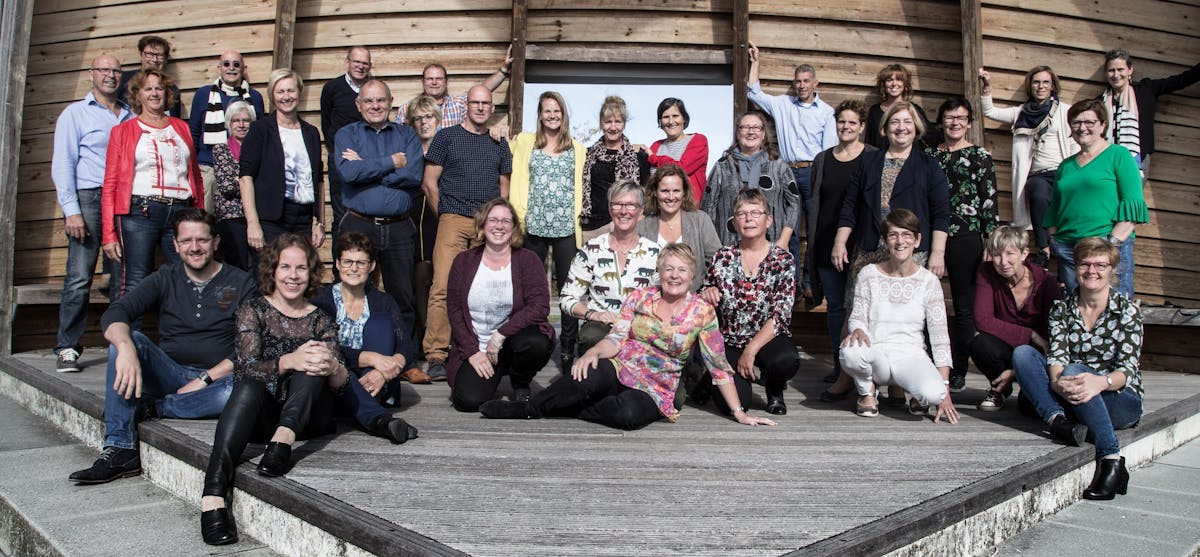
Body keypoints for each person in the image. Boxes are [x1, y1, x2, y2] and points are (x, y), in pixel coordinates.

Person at [199, 234, 417, 546]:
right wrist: (289, 360)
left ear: (310, 272)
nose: (293, 275)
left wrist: (331, 366)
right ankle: (213, 493)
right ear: (273, 270)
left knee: (315, 362)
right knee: (249, 385)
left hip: (308, 417)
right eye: (285, 267)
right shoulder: (253, 310)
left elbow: (339, 379)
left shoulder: (320, 319)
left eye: (301, 268)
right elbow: (246, 367)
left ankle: (284, 440)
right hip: (262, 417)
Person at [478, 243, 778, 430]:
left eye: (681, 270)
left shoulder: (702, 311)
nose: (674, 275)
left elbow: (718, 366)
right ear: (660, 272)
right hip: (622, 365)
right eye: (668, 269)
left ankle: (573, 408)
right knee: (586, 374)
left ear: (692, 276)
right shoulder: (640, 297)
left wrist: (739, 412)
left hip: (656, 386)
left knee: (628, 416)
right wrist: (594, 352)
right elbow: (617, 337)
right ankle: (529, 408)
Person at [68, 209, 256, 485]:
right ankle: (120, 448)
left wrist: (205, 379)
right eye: (187, 241)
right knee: (125, 341)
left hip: (218, 380)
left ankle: (157, 407)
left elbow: (250, 346)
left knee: (238, 392)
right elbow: (117, 312)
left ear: (216, 242)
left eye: (202, 240)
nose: (195, 247)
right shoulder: (165, 276)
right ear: (176, 245)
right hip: (170, 372)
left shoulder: (242, 282)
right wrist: (126, 348)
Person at [832, 101, 950, 406]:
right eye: (895, 122)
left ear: (916, 128)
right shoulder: (869, 161)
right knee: (854, 311)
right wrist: (840, 241)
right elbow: (850, 205)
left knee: (902, 314)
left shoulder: (928, 165)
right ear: (885, 127)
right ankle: (848, 376)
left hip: (909, 249)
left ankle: (897, 383)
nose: (901, 128)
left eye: (907, 122)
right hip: (870, 246)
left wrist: (938, 253)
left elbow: (941, 213)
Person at [1012, 237, 1143, 500]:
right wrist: (1057, 382)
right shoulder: (1062, 309)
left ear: (1111, 269)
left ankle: (1111, 457)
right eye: (1085, 264)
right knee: (1023, 354)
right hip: (1071, 390)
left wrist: (1099, 382)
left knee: (1071, 373)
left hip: (1118, 398)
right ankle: (1057, 421)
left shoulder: (1127, 311)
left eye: (1100, 265)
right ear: (1076, 267)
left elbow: (1127, 370)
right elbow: (1057, 356)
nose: (1092, 270)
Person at [421, 85, 513, 380]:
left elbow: (504, 189)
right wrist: (445, 215)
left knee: (481, 290)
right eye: (475, 102)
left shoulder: (499, 144)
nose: (481, 107)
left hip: (487, 226)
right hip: (454, 219)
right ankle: (437, 353)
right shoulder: (446, 137)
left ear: (492, 108)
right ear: (466, 106)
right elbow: (429, 182)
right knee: (443, 286)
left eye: (486, 103)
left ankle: (475, 349)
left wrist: (496, 223)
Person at [50, 54, 133, 373]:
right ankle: (67, 347)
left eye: (116, 71)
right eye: (104, 70)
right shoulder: (75, 114)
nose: (111, 75)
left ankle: (120, 346)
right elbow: (63, 163)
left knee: (121, 278)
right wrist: (71, 211)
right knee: (79, 276)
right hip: (89, 197)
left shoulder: (129, 114)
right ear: (91, 74)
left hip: (123, 200)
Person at [839, 209, 958, 423]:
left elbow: (940, 337)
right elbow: (857, 316)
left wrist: (945, 390)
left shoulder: (929, 281)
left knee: (934, 393)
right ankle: (867, 392)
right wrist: (857, 329)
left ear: (917, 240)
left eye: (907, 235)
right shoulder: (868, 274)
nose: (900, 241)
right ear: (885, 241)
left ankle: (919, 396)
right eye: (893, 235)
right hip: (877, 355)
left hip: (910, 355)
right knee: (850, 352)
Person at [333, 79, 424, 344]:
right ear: (358, 105)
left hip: (399, 227)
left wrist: (366, 165)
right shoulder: (347, 135)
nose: (375, 105)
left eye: (381, 100)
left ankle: (404, 354)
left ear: (390, 102)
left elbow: (413, 175)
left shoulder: (406, 135)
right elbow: (349, 173)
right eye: (369, 100)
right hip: (359, 224)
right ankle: (352, 348)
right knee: (354, 289)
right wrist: (391, 162)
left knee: (402, 294)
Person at [101, 69, 204, 302]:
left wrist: (199, 216)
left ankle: (181, 327)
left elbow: (195, 176)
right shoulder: (123, 131)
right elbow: (110, 185)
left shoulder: (181, 127)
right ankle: (124, 328)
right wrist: (109, 234)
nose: (155, 93)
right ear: (138, 95)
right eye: (148, 89)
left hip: (181, 211)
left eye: (159, 88)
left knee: (188, 277)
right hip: (140, 212)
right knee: (135, 280)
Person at [447, 199, 555, 411]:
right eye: (493, 220)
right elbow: (454, 310)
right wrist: (471, 352)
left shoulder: (527, 259)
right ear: (482, 224)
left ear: (513, 227)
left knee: (537, 342)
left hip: (510, 342)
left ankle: (520, 380)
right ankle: (488, 374)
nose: (499, 226)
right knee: (468, 401)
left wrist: (500, 334)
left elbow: (540, 306)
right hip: (478, 346)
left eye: (506, 221)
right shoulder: (463, 261)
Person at [746, 44, 837, 290]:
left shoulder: (827, 113)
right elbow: (753, 92)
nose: (801, 85)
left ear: (815, 83)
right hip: (787, 172)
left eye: (806, 81)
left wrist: (825, 179)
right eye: (797, 81)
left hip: (814, 172)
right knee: (790, 228)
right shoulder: (783, 104)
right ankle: (792, 282)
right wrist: (756, 62)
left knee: (816, 228)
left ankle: (810, 282)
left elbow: (829, 150)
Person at [699, 189, 798, 415]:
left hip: (767, 338)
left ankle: (774, 389)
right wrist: (709, 291)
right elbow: (704, 290)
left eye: (755, 213)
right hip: (731, 339)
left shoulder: (783, 260)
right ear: (734, 222)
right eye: (742, 214)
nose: (749, 219)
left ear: (768, 220)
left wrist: (751, 350)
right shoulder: (723, 257)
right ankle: (710, 377)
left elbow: (781, 316)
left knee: (786, 360)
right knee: (737, 404)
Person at [508, 91, 585, 370]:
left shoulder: (578, 149)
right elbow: (503, 150)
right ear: (540, 115)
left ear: (563, 115)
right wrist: (496, 131)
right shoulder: (525, 142)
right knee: (529, 288)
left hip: (566, 228)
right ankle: (529, 340)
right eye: (547, 111)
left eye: (556, 110)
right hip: (534, 226)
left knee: (568, 290)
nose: (552, 115)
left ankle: (567, 349)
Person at [929, 97, 999, 392]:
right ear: (941, 122)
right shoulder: (929, 155)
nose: (954, 123)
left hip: (966, 236)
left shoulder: (980, 156)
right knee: (926, 303)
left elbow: (989, 201)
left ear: (969, 122)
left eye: (960, 118)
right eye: (949, 117)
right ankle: (929, 362)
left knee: (963, 307)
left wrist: (990, 240)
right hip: (931, 234)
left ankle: (958, 368)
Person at [1044, 99, 1148, 298]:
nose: (1082, 128)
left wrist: (1110, 244)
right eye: (1076, 122)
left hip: (1107, 247)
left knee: (1114, 308)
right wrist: (1055, 240)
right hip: (1069, 251)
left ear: (1102, 125)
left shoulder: (1119, 155)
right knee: (1077, 309)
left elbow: (1133, 206)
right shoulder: (1066, 166)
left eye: (1089, 122)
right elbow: (1054, 208)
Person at [808, 100, 876, 396]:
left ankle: (864, 367)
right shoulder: (823, 160)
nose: (845, 127)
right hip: (827, 242)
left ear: (862, 127)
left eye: (852, 122)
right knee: (836, 307)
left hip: (863, 245)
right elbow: (816, 204)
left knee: (862, 307)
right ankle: (840, 366)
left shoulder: (873, 157)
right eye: (841, 122)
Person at [979, 66, 1078, 267]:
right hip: (1038, 174)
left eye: (1045, 82)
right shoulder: (1021, 113)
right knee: (1038, 194)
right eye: (1036, 82)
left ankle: (1064, 250)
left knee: (1067, 206)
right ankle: (1044, 249)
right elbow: (989, 111)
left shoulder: (1065, 111)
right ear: (1030, 86)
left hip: (1063, 170)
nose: (1041, 86)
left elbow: (1075, 141)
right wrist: (986, 87)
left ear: (1053, 86)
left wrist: (1076, 169)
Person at [312, 231, 421, 406]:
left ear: (371, 266)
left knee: (380, 324)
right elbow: (322, 349)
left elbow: (406, 347)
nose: (354, 268)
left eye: (361, 263)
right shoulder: (321, 300)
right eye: (348, 262)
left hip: (375, 382)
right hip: (333, 379)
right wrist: (370, 357)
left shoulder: (384, 301)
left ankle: (369, 400)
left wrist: (382, 372)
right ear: (338, 264)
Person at [561, 180, 662, 356]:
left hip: (641, 327)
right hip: (601, 326)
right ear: (609, 209)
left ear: (641, 211)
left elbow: (664, 298)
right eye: (617, 204)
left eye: (631, 205)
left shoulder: (655, 252)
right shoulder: (591, 249)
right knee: (591, 336)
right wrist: (592, 315)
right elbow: (566, 298)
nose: (623, 211)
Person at [971, 226, 1061, 412]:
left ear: (1024, 253)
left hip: (1039, 351)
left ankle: (1018, 382)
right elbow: (982, 319)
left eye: (1010, 253)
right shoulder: (986, 272)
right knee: (979, 344)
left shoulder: (1046, 282)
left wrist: (1016, 371)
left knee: (1028, 408)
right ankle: (1000, 389)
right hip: (1007, 343)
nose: (1003, 262)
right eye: (997, 255)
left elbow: (1053, 332)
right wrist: (1029, 334)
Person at [239, 68, 325, 259]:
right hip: (271, 219)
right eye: (280, 92)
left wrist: (319, 222)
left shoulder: (311, 133)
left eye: (291, 91)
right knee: (269, 272)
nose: (286, 97)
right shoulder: (260, 130)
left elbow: (318, 180)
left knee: (302, 271)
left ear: (299, 93)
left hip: (303, 220)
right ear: (272, 95)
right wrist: (252, 223)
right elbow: (246, 178)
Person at [702, 111, 799, 248]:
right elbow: (708, 206)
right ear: (737, 133)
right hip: (729, 246)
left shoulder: (778, 166)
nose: (751, 132)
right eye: (745, 127)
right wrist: (715, 246)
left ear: (763, 134)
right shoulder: (722, 166)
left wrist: (783, 240)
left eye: (756, 127)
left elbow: (794, 204)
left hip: (772, 245)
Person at [1098, 49, 1200, 174]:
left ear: (1130, 70)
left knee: (1132, 187)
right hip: (1106, 163)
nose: (1116, 74)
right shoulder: (1100, 102)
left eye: (1120, 69)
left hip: (1137, 160)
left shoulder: (1146, 89)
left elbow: (1180, 81)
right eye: (1111, 70)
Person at [188, 50, 265, 212]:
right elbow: (193, 133)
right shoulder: (204, 94)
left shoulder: (255, 97)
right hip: (208, 166)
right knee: (206, 216)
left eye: (236, 64)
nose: (231, 68)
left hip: (243, 167)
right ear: (219, 68)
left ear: (243, 68)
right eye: (226, 64)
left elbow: (260, 134)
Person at [637, 165, 720, 292]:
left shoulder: (700, 220)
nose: (671, 197)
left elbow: (718, 262)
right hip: (652, 300)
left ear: (684, 192)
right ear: (655, 192)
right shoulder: (642, 226)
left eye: (676, 191)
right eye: (665, 191)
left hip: (694, 298)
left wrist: (711, 288)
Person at [320, 46, 373, 243]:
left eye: (365, 63)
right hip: (340, 160)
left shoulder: (373, 89)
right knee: (341, 214)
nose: (360, 66)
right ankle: (340, 261)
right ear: (347, 62)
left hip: (368, 160)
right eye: (356, 61)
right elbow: (326, 123)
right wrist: (337, 150)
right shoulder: (332, 88)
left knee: (366, 211)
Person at [580, 95, 650, 241]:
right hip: (593, 228)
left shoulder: (638, 156)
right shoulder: (588, 155)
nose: (613, 127)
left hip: (628, 226)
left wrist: (639, 218)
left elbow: (647, 194)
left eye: (618, 122)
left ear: (624, 124)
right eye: (608, 122)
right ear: (601, 124)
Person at [406, 96, 442, 363]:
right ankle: (422, 334)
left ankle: (439, 336)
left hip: (438, 216)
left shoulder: (446, 147)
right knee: (419, 278)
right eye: (418, 118)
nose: (424, 123)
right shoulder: (408, 150)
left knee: (437, 278)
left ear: (437, 120)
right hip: (412, 218)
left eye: (428, 117)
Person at [397, 49, 514, 129]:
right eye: (430, 79)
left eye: (439, 79)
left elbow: (483, 90)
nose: (434, 82)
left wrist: (503, 70)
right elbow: (399, 140)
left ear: (446, 82)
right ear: (423, 82)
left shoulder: (459, 104)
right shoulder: (406, 109)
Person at [211, 101, 256, 271]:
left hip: (258, 214)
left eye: (246, 120)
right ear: (229, 124)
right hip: (232, 216)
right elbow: (227, 186)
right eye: (236, 120)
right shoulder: (221, 149)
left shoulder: (260, 149)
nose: (241, 125)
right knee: (237, 266)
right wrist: (251, 182)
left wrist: (241, 179)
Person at [644, 98, 708, 203]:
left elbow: (680, 169)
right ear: (660, 121)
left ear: (684, 119)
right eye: (666, 117)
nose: (670, 121)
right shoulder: (656, 146)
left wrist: (653, 158)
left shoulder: (698, 140)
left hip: (689, 209)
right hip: (659, 209)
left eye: (675, 116)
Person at [865, 64, 936, 150]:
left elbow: (931, 138)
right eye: (889, 80)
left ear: (905, 84)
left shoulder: (914, 110)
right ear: (884, 84)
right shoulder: (875, 111)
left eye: (898, 79)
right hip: (880, 157)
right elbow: (869, 140)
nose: (894, 83)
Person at [116, 36, 181, 117]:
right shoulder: (124, 80)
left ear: (165, 59)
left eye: (159, 55)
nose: (154, 59)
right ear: (141, 55)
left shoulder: (172, 89)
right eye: (150, 54)